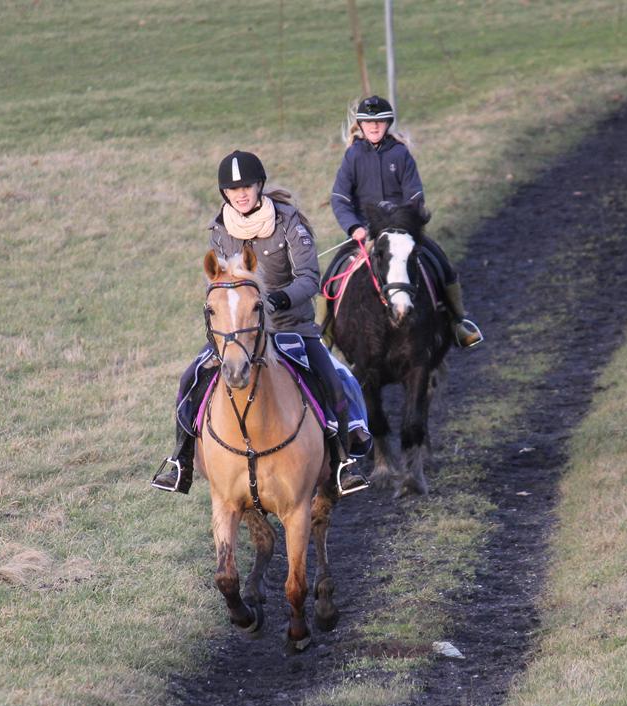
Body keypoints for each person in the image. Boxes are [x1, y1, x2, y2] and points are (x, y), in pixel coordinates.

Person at [151, 150, 369, 496]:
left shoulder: (289, 222)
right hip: (239, 333)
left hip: (290, 325)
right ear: (225, 193)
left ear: (259, 186)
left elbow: (310, 277)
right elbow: (220, 282)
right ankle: (181, 460)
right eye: (233, 189)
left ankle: (343, 462)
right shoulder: (220, 229)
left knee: (334, 381)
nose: (241, 194)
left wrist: (278, 299)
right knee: (190, 378)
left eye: (247, 186)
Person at [330, 95, 483, 348]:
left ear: (388, 123)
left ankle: (459, 322)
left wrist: (403, 224)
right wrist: (354, 227)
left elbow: (414, 196)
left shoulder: (401, 154)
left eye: (379, 122)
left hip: (401, 232)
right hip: (365, 234)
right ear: (361, 125)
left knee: (442, 264)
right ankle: (325, 332)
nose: (374, 127)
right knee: (332, 275)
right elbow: (339, 198)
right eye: (368, 122)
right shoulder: (353, 156)